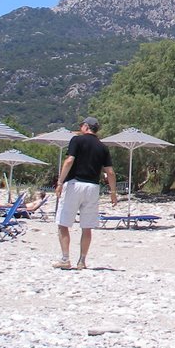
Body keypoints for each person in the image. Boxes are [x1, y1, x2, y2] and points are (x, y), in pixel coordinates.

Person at [54, 116, 116, 270]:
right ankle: (82, 261)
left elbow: (69, 161)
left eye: (81, 125)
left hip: (75, 184)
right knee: (87, 226)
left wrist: (60, 182)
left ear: (86, 127)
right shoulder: (103, 147)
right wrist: (113, 192)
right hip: (93, 187)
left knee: (63, 223)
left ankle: (65, 259)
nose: (80, 127)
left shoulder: (77, 140)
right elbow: (110, 172)